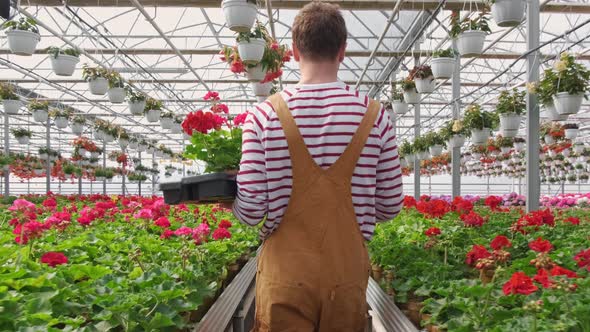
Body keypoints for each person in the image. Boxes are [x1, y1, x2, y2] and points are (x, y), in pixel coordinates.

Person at [231, 2, 403, 331]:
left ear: (294, 51)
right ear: (342, 51)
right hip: (346, 276)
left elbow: (252, 211)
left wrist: (228, 200)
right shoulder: (376, 116)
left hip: (285, 277)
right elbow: (390, 206)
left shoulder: (264, 116)